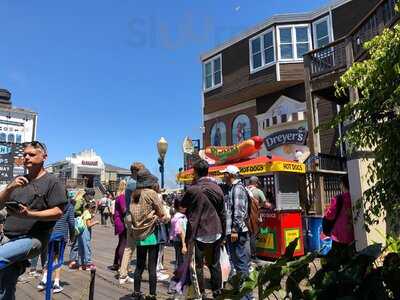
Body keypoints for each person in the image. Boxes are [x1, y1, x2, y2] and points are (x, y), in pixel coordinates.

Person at [0, 141, 67, 300]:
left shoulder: (52, 181)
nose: (26, 157)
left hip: (33, 238)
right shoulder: (18, 180)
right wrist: (9, 188)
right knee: (4, 285)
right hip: (8, 237)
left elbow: (58, 212)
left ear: (44, 157)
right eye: (24, 155)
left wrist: (29, 214)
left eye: (31, 154)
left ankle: (21, 263)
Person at [181, 159, 225, 299]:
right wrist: (223, 233)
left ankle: (202, 294)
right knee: (214, 263)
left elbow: (182, 206)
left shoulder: (193, 189)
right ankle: (218, 291)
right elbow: (222, 213)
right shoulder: (217, 188)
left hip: (199, 231)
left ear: (195, 172)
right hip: (216, 231)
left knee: (198, 265)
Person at [129, 169, 165, 300]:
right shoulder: (151, 193)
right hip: (151, 234)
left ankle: (136, 292)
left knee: (139, 266)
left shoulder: (134, 194)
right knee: (151, 267)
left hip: (138, 234)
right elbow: (161, 213)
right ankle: (152, 294)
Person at [222, 165, 252, 300]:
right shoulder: (233, 188)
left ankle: (246, 296)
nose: (223, 176)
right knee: (238, 263)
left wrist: (234, 229)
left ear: (231, 175)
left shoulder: (238, 189)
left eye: (225, 173)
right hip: (234, 232)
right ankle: (242, 293)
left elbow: (239, 212)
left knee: (241, 264)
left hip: (237, 232)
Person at [37, 197, 75, 293]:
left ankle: (44, 280)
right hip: (61, 236)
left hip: (49, 235)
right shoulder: (69, 206)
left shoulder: (51, 203)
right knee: (57, 258)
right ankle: (56, 283)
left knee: (49, 256)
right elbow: (71, 223)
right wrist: (72, 236)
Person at [118, 162, 145, 285]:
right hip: (135, 217)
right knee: (134, 247)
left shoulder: (129, 182)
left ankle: (123, 273)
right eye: (141, 170)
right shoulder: (135, 184)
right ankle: (125, 273)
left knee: (129, 247)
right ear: (135, 171)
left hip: (129, 216)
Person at [324, 176, 355, 255]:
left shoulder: (338, 199)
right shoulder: (355, 197)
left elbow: (329, 216)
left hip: (339, 236)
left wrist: (326, 210)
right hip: (353, 234)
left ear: (342, 184)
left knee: (338, 260)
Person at [76, 201, 99, 270]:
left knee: (81, 248)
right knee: (87, 247)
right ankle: (88, 264)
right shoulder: (88, 214)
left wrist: (91, 217)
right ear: (91, 208)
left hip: (80, 231)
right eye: (94, 209)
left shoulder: (85, 212)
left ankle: (81, 264)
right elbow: (88, 225)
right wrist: (95, 222)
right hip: (85, 232)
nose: (94, 210)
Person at [111, 180, 127, 272]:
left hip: (118, 220)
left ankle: (116, 263)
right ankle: (122, 265)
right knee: (123, 243)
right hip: (121, 221)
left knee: (121, 242)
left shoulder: (118, 196)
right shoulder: (122, 197)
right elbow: (124, 210)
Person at [169, 198, 188, 271]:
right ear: (180, 207)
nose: (186, 207)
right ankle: (181, 277)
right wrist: (184, 245)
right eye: (185, 206)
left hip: (176, 241)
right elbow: (180, 232)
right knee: (182, 260)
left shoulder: (175, 216)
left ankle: (178, 274)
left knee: (178, 259)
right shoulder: (181, 218)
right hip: (181, 241)